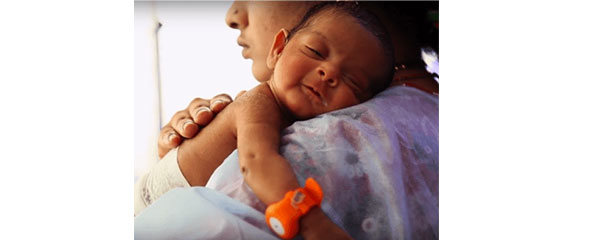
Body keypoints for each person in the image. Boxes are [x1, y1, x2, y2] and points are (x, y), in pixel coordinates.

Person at [138, 1, 439, 239]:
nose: (232, 14)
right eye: (314, 51)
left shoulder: (320, 146)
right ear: (279, 48)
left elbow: (257, 163)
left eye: (354, 82)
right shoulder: (422, 117)